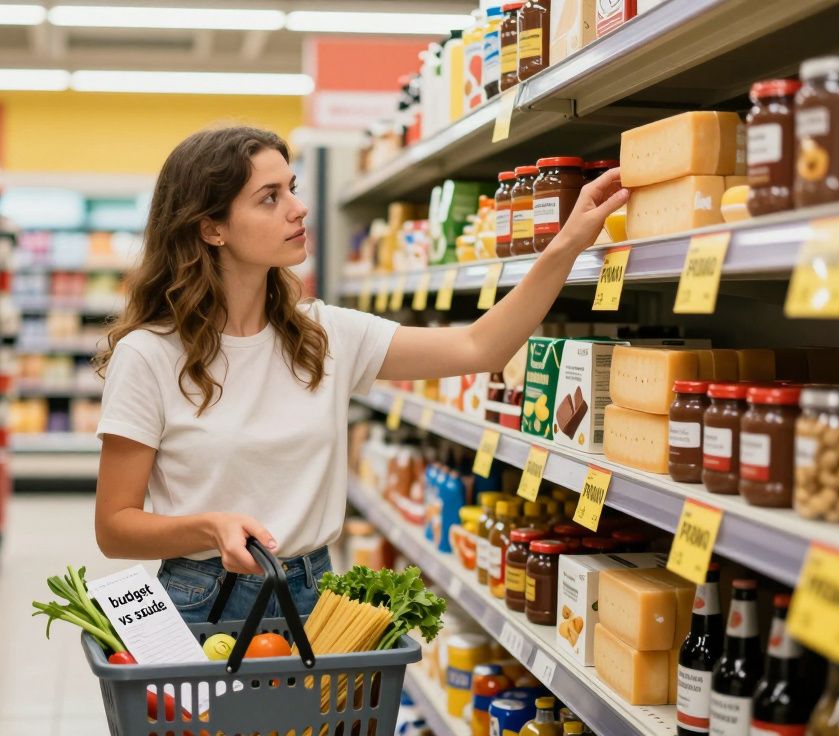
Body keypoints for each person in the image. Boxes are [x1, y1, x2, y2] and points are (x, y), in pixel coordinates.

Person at [93, 126, 628, 623]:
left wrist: (567, 243)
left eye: (293, 188)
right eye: (270, 197)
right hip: (204, 596)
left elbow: (480, 346)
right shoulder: (149, 355)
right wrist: (210, 526)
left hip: (315, 589)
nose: (299, 208)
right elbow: (115, 526)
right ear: (211, 228)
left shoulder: (321, 335)